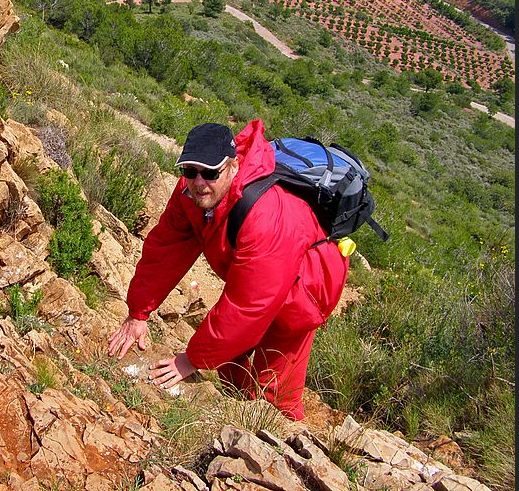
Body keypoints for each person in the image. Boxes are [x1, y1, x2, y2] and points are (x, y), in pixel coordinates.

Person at [107, 120, 349, 420]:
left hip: (302, 292)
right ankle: (236, 415)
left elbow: (249, 307)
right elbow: (165, 250)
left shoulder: (266, 216)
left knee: (272, 394)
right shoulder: (192, 194)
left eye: (210, 172)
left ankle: (284, 446)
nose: (198, 181)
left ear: (233, 166)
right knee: (229, 365)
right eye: (189, 170)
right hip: (257, 277)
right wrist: (138, 312)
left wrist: (192, 359)